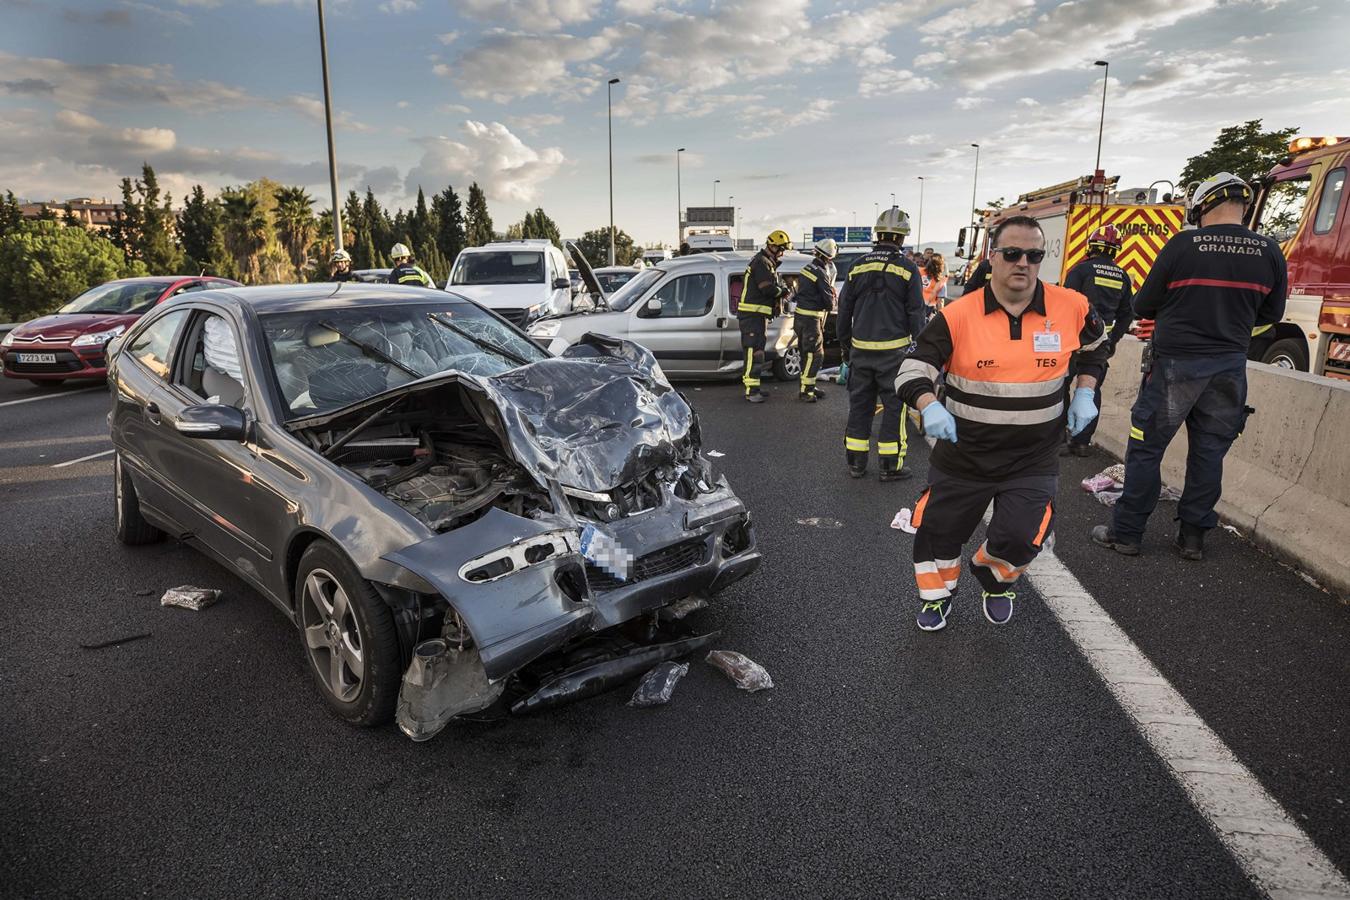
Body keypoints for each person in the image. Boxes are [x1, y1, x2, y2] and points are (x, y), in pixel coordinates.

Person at [896, 215, 1108, 630]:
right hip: (963, 456)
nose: (1023, 263)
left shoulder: (1072, 306)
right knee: (938, 533)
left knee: (1021, 535)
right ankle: (938, 596)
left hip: (1033, 458)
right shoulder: (958, 315)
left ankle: (996, 580)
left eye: (1034, 255)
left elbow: (1096, 350)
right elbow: (911, 370)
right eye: (1012, 253)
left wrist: (1085, 390)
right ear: (992, 257)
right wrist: (929, 403)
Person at [1091, 173, 1287, 561]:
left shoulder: (1184, 244)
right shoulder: (1269, 251)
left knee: (1146, 450)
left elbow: (1144, 305)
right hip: (1229, 367)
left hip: (1175, 367)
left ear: (1201, 207)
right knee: (1209, 452)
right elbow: (1271, 314)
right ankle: (1193, 538)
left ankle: (1127, 533)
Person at [838, 207, 925, 481]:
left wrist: (845, 348)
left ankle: (856, 463)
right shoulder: (908, 269)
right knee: (893, 408)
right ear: (901, 238)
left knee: (860, 406)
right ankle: (890, 466)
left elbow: (844, 312)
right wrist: (920, 350)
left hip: (860, 351)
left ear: (878, 234)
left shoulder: (857, 267)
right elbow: (916, 314)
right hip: (894, 354)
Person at [1060, 224, 1134, 456]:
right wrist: (1113, 340)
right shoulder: (1122, 276)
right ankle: (1082, 442)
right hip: (1100, 345)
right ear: (1115, 251)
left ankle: (1060, 439)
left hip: (1073, 342)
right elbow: (1127, 314)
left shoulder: (1080, 270)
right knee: (1090, 391)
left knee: (1060, 386)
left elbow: (1065, 305)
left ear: (1091, 247)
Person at [738, 230, 793, 403]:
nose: (782, 253)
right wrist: (783, 291)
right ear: (773, 246)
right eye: (782, 249)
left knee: (757, 352)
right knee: (754, 352)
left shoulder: (766, 262)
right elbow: (767, 288)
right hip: (752, 316)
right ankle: (751, 391)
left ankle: (754, 388)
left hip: (757, 316)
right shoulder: (761, 263)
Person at [794, 237, 838, 402]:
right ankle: (806, 391)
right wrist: (832, 296)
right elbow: (829, 303)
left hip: (800, 318)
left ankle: (808, 386)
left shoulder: (807, 268)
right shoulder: (821, 273)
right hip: (811, 319)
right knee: (815, 355)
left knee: (806, 354)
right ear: (829, 257)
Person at [921, 254, 948, 318]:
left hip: (913, 306)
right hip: (927, 311)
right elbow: (940, 303)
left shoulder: (918, 272)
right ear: (941, 266)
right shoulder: (941, 282)